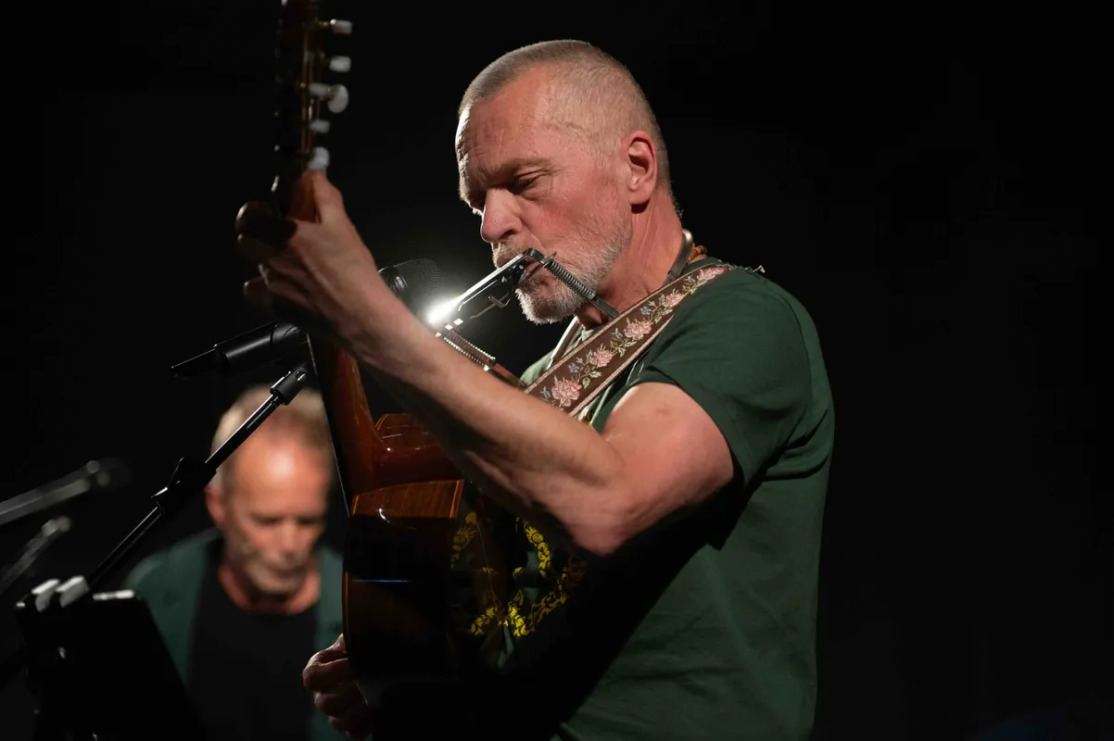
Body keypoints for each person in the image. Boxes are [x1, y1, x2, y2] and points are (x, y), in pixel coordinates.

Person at [236, 39, 834, 740]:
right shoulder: (541, 381)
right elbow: (523, 615)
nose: (492, 225)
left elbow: (608, 501)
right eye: (477, 202)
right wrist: (414, 654)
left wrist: (369, 321)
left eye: (523, 182)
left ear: (636, 168)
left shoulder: (743, 319)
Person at [123, 385, 344, 741]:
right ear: (218, 505)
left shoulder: (360, 609)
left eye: (308, 520)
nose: (290, 544)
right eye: (267, 521)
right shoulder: (154, 592)